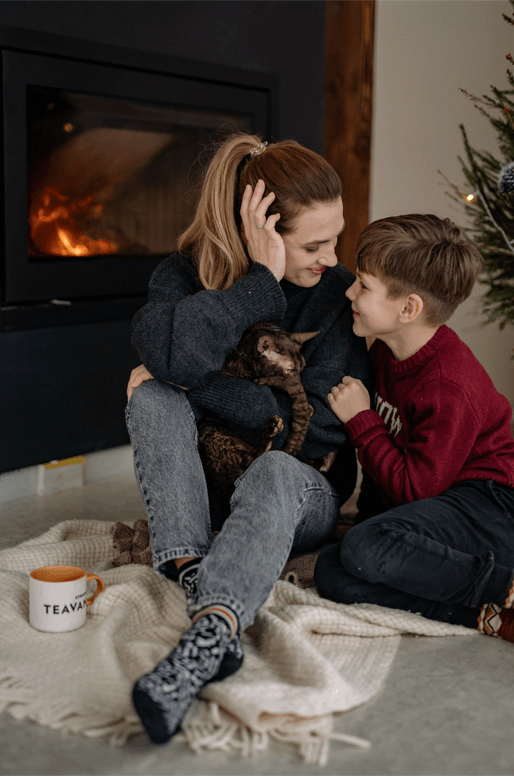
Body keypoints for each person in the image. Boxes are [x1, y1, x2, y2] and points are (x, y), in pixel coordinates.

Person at [125, 133, 372, 744]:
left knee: (270, 468)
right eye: (313, 244)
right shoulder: (181, 276)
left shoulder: (336, 298)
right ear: (258, 234)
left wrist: (197, 388)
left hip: (298, 496)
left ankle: (208, 633)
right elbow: (172, 359)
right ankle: (192, 574)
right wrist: (258, 283)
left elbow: (303, 430)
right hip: (208, 498)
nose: (331, 258)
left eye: (335, 238)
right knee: (153, 395)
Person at [314, 213, 514, 644]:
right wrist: (372, 520)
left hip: (494, 505)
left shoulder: (447, 385)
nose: (349, 291)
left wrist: (361, 420)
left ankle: (506, 586)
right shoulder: (388, 350)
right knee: (332, 569)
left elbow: (417, 489)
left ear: (408, 309)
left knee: (367, 547)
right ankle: (486, 616)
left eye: (363, 286)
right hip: (448, 502)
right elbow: (390, 472)